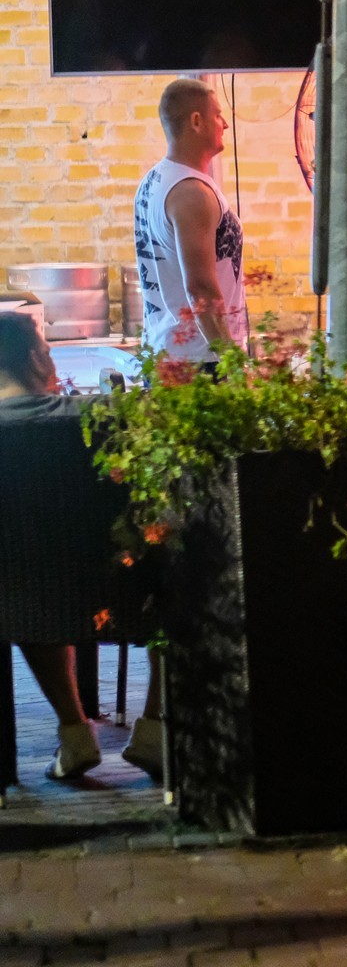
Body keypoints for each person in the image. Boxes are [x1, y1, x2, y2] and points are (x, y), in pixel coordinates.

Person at [0, 314, 163, 781]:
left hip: (23, 598)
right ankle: (155, 731)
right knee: (172, 576)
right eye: (47, 352)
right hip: (127, 587)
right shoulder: (105, 417)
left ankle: (75, 733)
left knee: (21, 581)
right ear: (37, 360)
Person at [132, 78, 248, 361]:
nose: (225, 124)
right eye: (217, 115)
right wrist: (232, 364)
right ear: (196, 121)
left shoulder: (154, 180)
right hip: (200, 362)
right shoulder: (191, 192)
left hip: (168, 355)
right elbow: (200, 288)